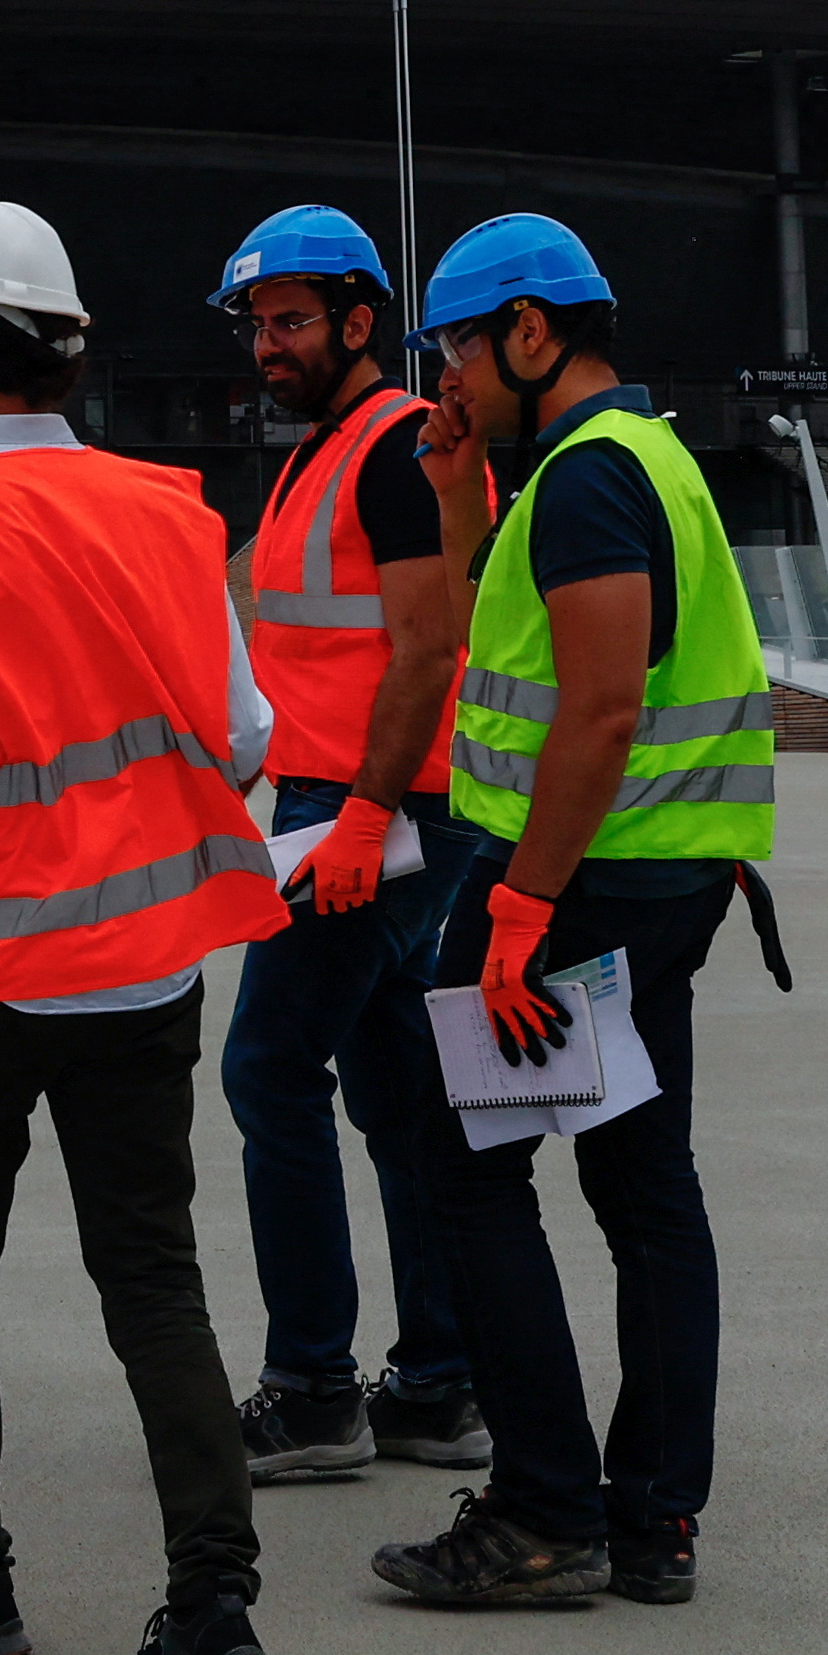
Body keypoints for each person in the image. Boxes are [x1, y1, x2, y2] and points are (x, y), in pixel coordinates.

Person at [0, 203, 297, 1655]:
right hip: (147, 968)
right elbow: (241, 737)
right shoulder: (172, 514)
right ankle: (213, 1609)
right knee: (152, 1282)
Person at [366, 212, 780, 1619]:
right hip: (662, 872)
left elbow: (597, 709)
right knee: (640, 1182)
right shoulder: (621, 463)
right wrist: (452, 486)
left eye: (458, 352)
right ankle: (654, 1515)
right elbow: (529, 641)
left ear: (528, 334)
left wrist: (514, 911)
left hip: (576, 875)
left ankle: (544, 1510)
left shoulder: (594, 480)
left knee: (466, 1167)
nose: (449, 379)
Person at [204, 205, 495, 1491]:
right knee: (393, 1097)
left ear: (359, 321)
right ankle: (435, 1387)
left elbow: (429, 646)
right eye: (256, 326)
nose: (268, 345)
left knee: (269, 1069)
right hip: (347, 804)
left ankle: (313, 1387)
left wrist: (368, 815)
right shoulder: (321, 451)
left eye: (291, 322)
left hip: (367, 812)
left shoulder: (388, 447)